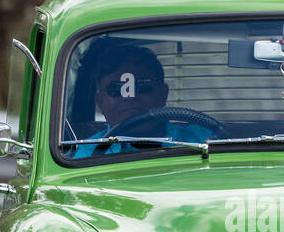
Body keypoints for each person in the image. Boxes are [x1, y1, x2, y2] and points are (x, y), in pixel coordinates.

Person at [67, 38, 213, 158]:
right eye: (116, 89)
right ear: (101, 102)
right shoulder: (87, 154)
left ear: (163, 94)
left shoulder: (204, 139)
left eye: (142, 86)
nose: (130, 97)